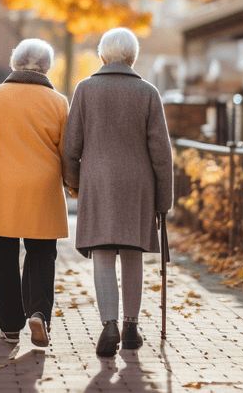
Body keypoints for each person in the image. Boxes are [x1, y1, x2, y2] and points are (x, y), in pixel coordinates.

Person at [63, 27, 174, 357]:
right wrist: (163, 200)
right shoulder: (148, 92)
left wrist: (76, 184)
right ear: (133, 58)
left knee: (102, 255)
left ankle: (108, 324)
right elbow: (161, 153)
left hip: (97, 182)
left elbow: (71, 147)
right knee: (132, 253)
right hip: (138, 184)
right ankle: (130, 327)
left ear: (102, 56)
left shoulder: (85, 89)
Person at [0, 39, 69, 347]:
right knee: (42, 253)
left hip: (3, 186)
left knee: (3, 256)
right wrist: (72, 183)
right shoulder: (58, 102)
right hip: (43, 188)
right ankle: (39, 313)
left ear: (15, 62)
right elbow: (66, 150)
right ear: (47, 67)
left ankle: (10, 327)